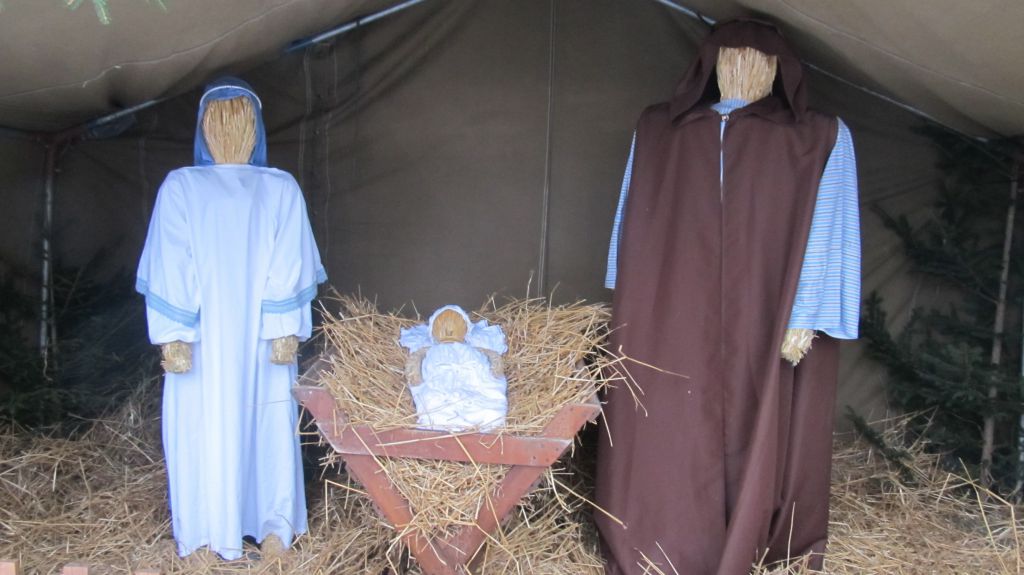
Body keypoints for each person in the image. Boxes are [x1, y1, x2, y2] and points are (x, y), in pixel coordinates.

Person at [597, 20, 860, 574]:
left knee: (760, 414)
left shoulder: (817, 136)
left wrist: (806, 312)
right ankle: (668, 540)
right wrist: (634, 299)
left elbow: (833, 226)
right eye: (731, 57)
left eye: (759, 59)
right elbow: (632, 214)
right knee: (671, 412)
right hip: (674, 302)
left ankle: (754, 541)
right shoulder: (660, 130)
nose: (744, 68)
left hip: (772, 306)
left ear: (781, 70)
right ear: (709, 66)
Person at [135, 77, 326, 560]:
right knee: (253, 426)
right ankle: (230, 530)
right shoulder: (266, 187)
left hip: (226, 340)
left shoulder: (196, 186)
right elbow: (287, 263)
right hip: (240, 339)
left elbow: (172, 264)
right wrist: (281, 328)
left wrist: (176, 334)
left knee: (219, 426)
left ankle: (246, 529)